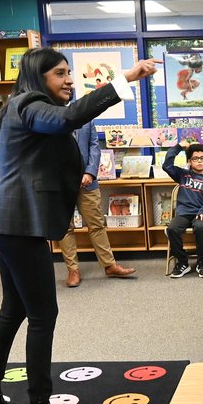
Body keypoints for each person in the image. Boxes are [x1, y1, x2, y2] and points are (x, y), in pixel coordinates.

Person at [0, 48, 158, 404]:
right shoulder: (31, 104)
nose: (69, 80)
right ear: (39, 78)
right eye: (60, 73)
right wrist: (125, 78)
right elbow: (70, 118)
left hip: (12, 221)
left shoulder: (14, 109)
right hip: (20, 224)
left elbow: (6, 167)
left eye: (69, 73)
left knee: (15, 308)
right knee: (43, 314)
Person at [57, 121, 136, 288]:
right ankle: (73, 270)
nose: (68, 92)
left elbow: (94, 146)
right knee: (65, 227)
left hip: (87, 182)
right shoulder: (50, 117)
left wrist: (90, 172)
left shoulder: (86, 119)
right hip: (60, 184)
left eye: (70, 91)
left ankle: (109, 265)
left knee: (97, 224)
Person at [162, 141, 203, 279]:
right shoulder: (182, 175)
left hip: (201, 213)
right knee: (172, 229)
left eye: (202, 158)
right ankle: (182, 262)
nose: (199, 161)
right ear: (189, 161)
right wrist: (178, 147)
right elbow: (167, 165)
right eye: (195, 158)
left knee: (200, 227)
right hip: (184, 213)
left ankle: (202, 262)